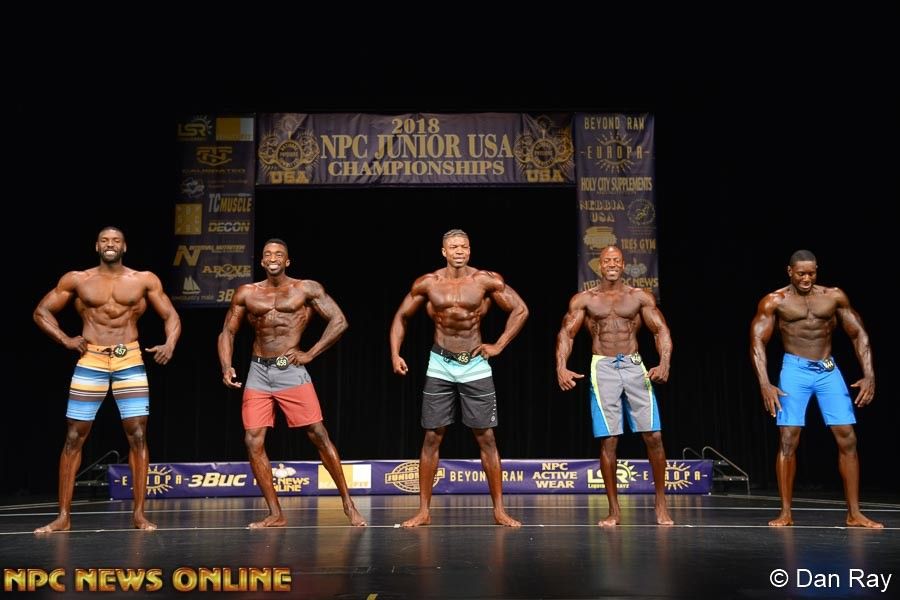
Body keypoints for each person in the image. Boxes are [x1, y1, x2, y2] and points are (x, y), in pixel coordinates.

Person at [33, 226, 181, 533]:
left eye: (115, 240)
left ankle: (139, 514)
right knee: (74, 436)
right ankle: (63, 516)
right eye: (104, 240)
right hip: (91, 358)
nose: (110, 244)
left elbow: (171, 315)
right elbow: (41, 312)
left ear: (124, 247)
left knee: (138, 434)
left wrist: (169, 343)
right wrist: (65, 339)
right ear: (96, 246)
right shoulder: (78, 279)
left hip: (130, 358)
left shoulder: (144, 279)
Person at [218, 238, 366, 528]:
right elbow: (227, 331)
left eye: (279, 254)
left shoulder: (305, 288)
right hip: (258, 372)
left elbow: (339, 320)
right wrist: (226, 365)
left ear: (287, 261)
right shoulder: (247, 293)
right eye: (268, 254)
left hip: (290, 371)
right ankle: (275, 513)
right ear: (262, 261)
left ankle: (348, 504)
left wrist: (310, 353)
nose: (273, 258)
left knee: (318, 434)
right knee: (252, 440)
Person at [390, 229, 528, 527]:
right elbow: (401, 316)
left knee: (486, 437)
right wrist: (395, 353)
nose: (459, 251)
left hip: (475, 364)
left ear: (470, 249)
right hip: (440, 363)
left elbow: (520, 309)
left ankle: (499, 510)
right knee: (432, 436)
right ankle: (423, 511)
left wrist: (499, 344)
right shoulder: (428, 282)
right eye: (453, 247)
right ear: (444, 251)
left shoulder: (484, 280)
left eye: (464, 246)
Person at [750, 249, 882, 528]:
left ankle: (854, 513)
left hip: (827, 370)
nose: (806, 278)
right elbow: (757, 341)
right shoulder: (775, 300)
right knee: (788, 438)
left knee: (847, 437)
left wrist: (869, 374)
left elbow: (858, 334)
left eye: (811, 273)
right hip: (794, 369)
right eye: (801, 273)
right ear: (790, 271)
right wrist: (764, 383)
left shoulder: (833, 296)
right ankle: (785, 512)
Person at [556, 245, 673, 526]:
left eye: (616, 260)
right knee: (609, 440)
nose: (611, 264)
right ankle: (614, 510)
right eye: (606, 260)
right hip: (603, 367)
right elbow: (567, 334)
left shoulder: (639, 297)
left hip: (634, 365)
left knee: (654, 436)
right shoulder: (585, 300)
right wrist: (561, 366)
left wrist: (664, 362)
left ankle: (661, 504)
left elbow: (660, 330)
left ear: (623, 265)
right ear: (599, 265)